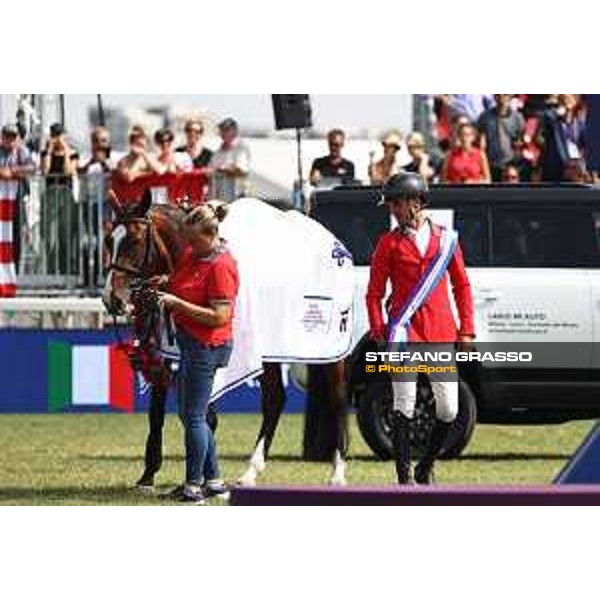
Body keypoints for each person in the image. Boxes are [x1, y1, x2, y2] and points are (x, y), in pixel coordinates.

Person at [366, 172, 475, 485]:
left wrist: (466, 328)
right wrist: (379, 328)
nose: (392, 210)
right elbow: (374, 293)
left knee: (449, 408)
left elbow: (462, 285)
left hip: (440, 333)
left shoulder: (446, 239)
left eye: (396, 203)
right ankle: (403, 478)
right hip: (403, 335)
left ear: (415, 203)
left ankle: (425, 466)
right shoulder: (388, 243)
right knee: (403, 404)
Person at [158, 202, 239, 504]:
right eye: (188, 240)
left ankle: (194, 486)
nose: (189, 246)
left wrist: (176, 304)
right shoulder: (196, 253)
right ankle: (215, 481)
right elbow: (183, 281)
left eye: (194, 240)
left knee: (193, 416)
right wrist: (165, 284)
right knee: (192, 413)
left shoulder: (221, 265)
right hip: (192, 343)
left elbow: (219, 316)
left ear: (211, 234)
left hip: (208, 345)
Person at [0, 124, 34, 297]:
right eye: (7, 136)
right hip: (1, 203)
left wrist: (12, 172)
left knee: (16, 238)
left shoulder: (22, 151)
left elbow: (31, 168)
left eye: (13, 136)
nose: (10, 140)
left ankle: (14, 276)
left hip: (17, 201)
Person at [539, 94, 587, 182]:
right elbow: (546, 119)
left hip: (574, 169)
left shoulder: (579, 122)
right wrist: (557, 114)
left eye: (570, 98)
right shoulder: (553, 118)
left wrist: (580, 160)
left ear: (576, 101)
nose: (567, 101)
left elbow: (584, 144)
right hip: (555, 168)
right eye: (565, 98)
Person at [478, 94, 526, 182]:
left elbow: (521, 138)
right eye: (498, 96)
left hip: (511, 164)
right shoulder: (485, 117)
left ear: (510, 97)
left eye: (505, 95)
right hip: (491, 164)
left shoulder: (517, 118)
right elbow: (480, 140)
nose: (502, 99)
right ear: (494, 97)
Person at [210, 118, 251, 202]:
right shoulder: (218, 151)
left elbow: (242, 171)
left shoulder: (241, 148)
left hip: (237, 198)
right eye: (222, 130)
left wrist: (222, 169)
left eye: (227, 129)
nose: (224, 133)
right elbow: (211, 171)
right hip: (220, 198)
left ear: (235, 131)